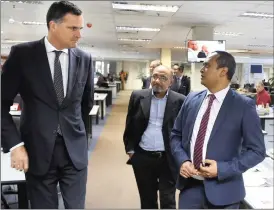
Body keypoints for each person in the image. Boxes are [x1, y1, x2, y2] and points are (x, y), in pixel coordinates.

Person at [1, 1, 94, 208]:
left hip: (74, 152)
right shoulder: (23, 55)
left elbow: (85, 104)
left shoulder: (85, 59)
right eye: (73, 28)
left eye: (80, 28)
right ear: (53, 25)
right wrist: (15, 145)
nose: (79, 34)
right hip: (37, 151)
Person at [170, 51, 265, 209]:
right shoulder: (191, 99)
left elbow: (257, 151)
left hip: (225, 193)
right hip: (190, 188)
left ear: (223, 71)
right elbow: (175, 136)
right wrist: (183, 161)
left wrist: (222, 169)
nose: (202, 69)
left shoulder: (243, 105)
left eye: (207, 65)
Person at [123, 65, 185, 209]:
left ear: (171, 82)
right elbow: (130, 124)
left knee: (167, 199)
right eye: (155, 76)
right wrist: (130, 150)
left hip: (168, 157)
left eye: (163, 78)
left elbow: (184, 131)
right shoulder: (138, 96)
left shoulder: (180, 100)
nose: (157, 80)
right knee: (147, 199)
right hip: (143, 156)